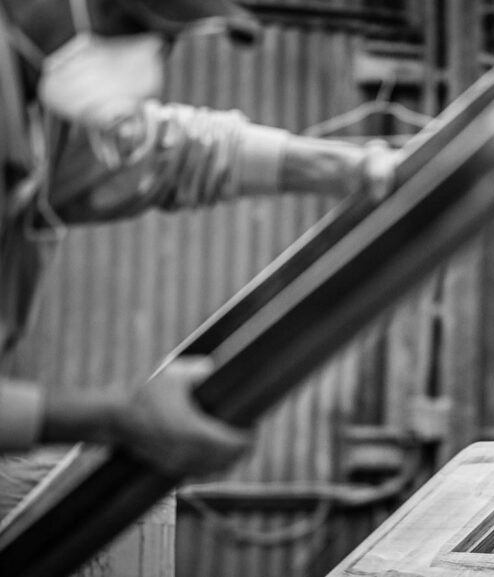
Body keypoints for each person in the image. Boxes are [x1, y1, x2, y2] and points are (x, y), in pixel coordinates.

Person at [0, 0, 398, 498]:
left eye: (168, 40)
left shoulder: (35, 106)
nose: (150, 63)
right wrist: (114, 416)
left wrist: (351, 168)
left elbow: (168, 155)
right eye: (125, 22)